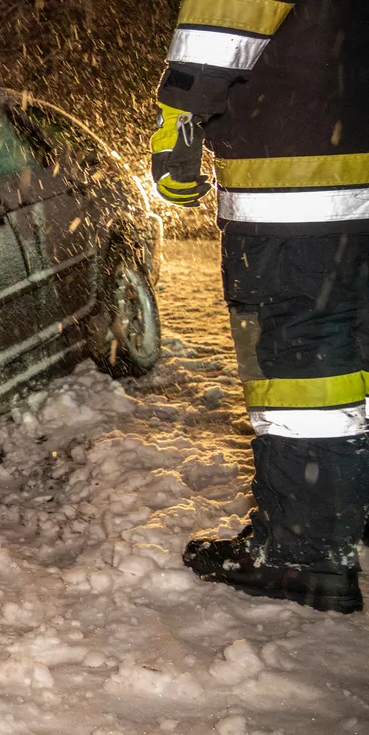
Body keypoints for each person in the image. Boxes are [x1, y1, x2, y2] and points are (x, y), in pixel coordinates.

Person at [150, 0, 369, 613]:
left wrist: (180, 115)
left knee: (304, 361)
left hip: (298, 180)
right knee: (357, 346)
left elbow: (219, 24)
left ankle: (306, 551)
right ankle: (347, 505)